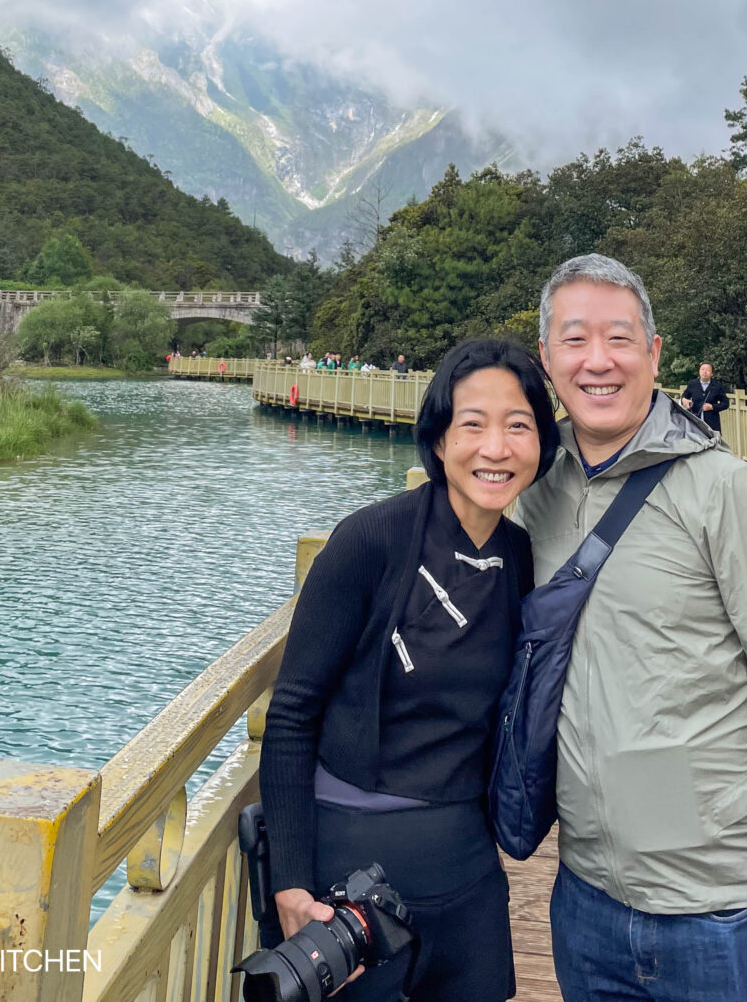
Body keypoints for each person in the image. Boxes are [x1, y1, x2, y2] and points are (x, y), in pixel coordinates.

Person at [516, 253, 747, 1002]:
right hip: (587, 898)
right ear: (546, 358)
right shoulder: (535, 490)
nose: (599, 360)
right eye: (575, 340)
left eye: (620, 337)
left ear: (655, 353)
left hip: (725, 911)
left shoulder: (724, 491)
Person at [260, 339, 559, 1001]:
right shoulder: (370, 540)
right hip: (351, 868)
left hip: (466, 868)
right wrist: (290, 880)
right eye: (473, 423)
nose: (496, 446)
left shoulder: (525, 558)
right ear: (439, 435)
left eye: (519, 425)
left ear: (542, 442)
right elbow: (292, 712)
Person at [681, 360, 729, 433]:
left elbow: (726, 403)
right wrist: (683, 400)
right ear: (699, 371)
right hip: (695, 423)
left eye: (708, 370)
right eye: (702, 369)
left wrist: (712, 407)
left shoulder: (717, 386)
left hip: (712, 424)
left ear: (712, 374)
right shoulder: (692, 384)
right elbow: (684, 397)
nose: (705, 372)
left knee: (712, 443)